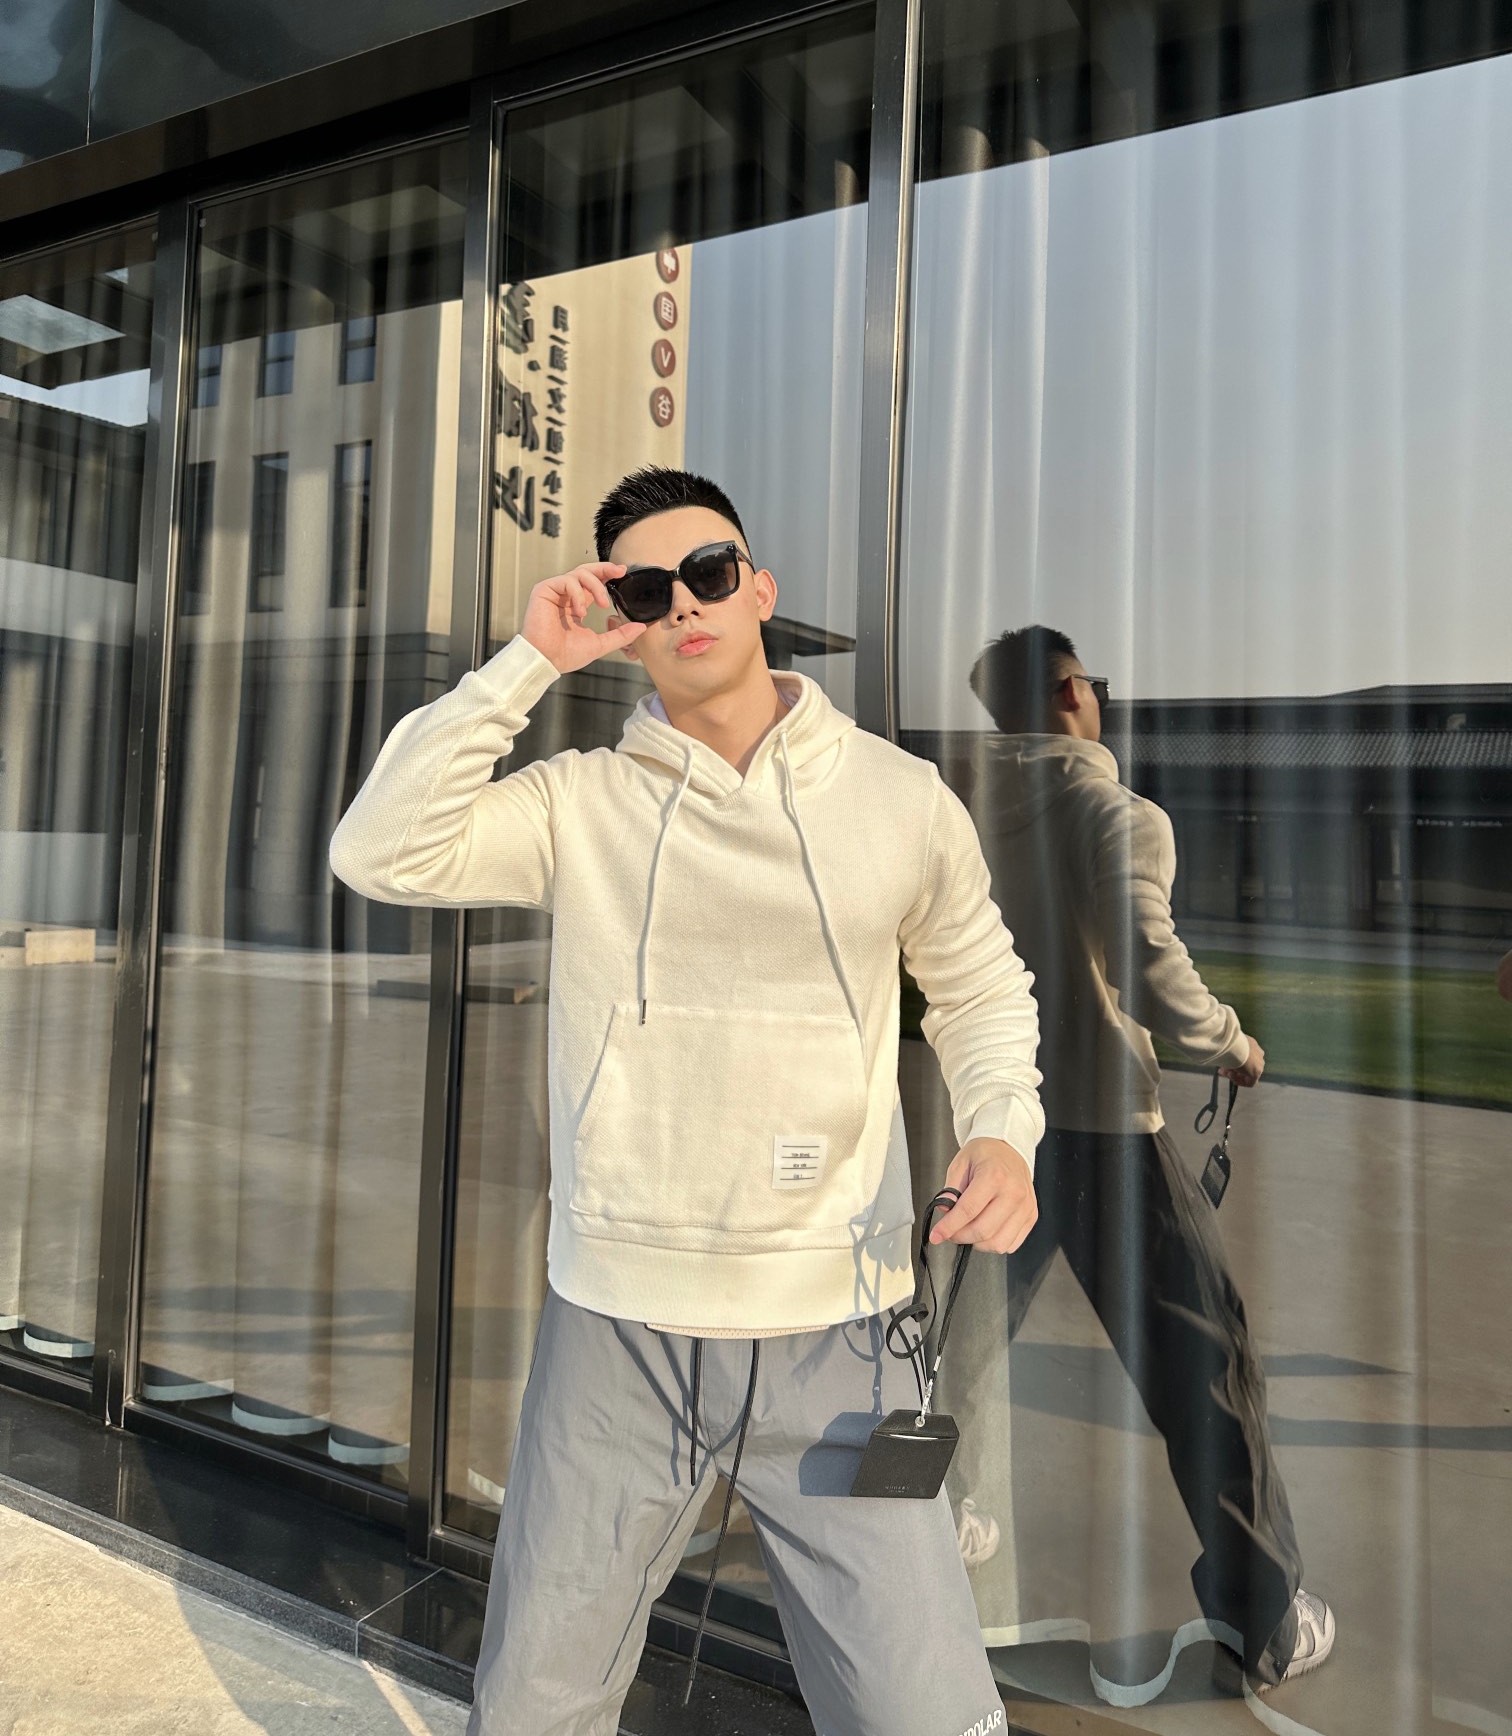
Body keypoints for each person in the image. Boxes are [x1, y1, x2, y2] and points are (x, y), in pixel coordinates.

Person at [330, 466, 1044, 1736]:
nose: (686, 604)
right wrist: (528, 662)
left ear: (760, 588)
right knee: (535, 1708)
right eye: (650, 589)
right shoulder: (580, 803)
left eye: (709, 572)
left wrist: (1002, 1131)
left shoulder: (899, 798)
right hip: (617, 1328)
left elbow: (983, 988)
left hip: (843, 1330)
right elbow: (379, 850)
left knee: (924, 1711)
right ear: (627, 620)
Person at [962, 624, 1335, 1695]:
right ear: (1070, 692)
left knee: (956, 1343)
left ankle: (933, 1517)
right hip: (1105, 1131)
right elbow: (1147, 959)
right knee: (1207, 1366)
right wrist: (1232, 1043)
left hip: (995, 1124)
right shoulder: (1114, 811)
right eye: (1093, 685)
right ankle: (1264, 1617)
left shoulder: (964, 808)